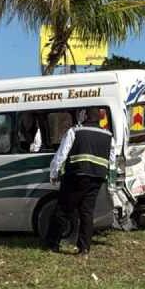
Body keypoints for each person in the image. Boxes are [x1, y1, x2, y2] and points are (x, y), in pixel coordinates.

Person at [45, 109, 116, 255]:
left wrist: (53, 173)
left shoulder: (75, 131)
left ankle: (53, 244)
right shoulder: (109, 136)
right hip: (97, 178)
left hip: (76, 176)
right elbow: (112, 161)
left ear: (85, 116)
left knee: (63, 210)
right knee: (87, 212)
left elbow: (62, 154)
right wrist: (111, 183)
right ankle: (84, 248)